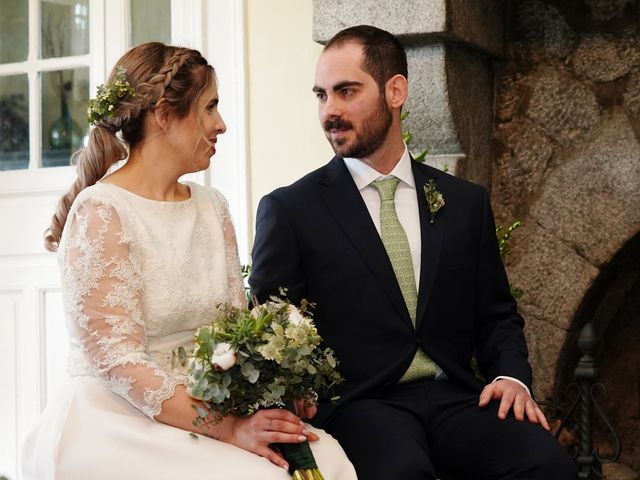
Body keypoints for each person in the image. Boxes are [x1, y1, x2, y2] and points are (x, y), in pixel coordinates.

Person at [250, 25, 577, 480]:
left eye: (346, 91)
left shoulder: (464, 202)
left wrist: (510, 378)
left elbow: (497, 315)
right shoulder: (290, 210)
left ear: (395, 91)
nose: (330, 111)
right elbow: (272, 327)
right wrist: (298, 396)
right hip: (360, 405)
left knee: (548, 464)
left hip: (457, 398)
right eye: (321, 95)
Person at [22, 42, 356, 480]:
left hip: (213, 400)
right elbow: (118, 360)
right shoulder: (101, 211)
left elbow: (235, 332)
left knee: (326, 457)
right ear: (164, 114)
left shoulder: (212, 206)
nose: (222, 125)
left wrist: (280, 388)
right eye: (210, 107)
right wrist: (230, 429)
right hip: (120, 416)